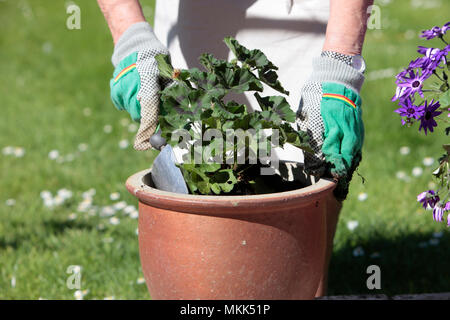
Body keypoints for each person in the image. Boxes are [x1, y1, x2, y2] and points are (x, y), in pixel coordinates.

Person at [97, 0, 373, 297]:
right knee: (193, 156)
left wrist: (339, 64)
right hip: (195, 10)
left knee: (310, 170)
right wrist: (128, 32)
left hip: (307, 11)